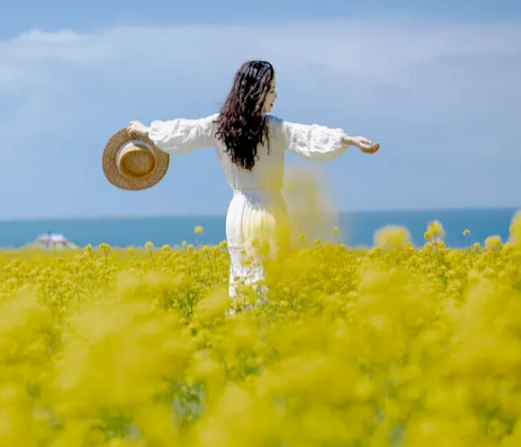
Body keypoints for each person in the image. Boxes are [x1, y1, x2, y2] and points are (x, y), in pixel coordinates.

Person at [125, 60, 379, 301]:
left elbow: (182, 132)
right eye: (271, 90)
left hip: (238, 212)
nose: (276, 97)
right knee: (270, 281)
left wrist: (146, 130)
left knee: (242, 281)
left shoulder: (219, 125)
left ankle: (244, 331)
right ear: (257, 92)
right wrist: (348, 140)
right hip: (270, 210)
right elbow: (308, 136)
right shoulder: (275, 128)